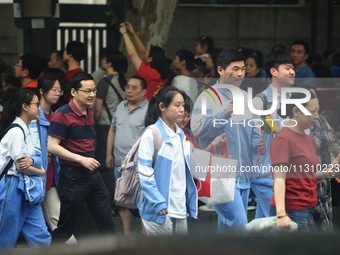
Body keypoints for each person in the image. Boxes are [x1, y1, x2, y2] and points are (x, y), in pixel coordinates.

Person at [191, 49, 263, 231]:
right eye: (235, 68)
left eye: (243, 69)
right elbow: (197, 129)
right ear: (221, 70)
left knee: (227, 226)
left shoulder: (246, 98)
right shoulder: (207, 97)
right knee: (239, 223)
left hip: (243, 171)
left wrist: (258, 144)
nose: (240, 73)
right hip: (219, 170)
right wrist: (225, 113)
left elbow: (253, 132)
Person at [47, 72, 115, 243]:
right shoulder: (62, 114)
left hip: (93, 175)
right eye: (87, 91)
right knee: (65, 230)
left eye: (94, 90)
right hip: (72, 176)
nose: (92, 94)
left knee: (107, 223)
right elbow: (51, 146)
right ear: (73, 92)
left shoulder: (90, 112)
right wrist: (80, 159)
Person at [269, 91, 340, 231]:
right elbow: (279, 180)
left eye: (318, 111)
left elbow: (307, 177)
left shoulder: (306, 139)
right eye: (313, 111)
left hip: (308, 208)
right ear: (296, 111)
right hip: (292, 211)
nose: (317, 116)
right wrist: (281, 214)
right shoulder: (284, 139)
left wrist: (328, 171)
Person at [137, 86, 198, 235]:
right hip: (159, 210)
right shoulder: (152, 134)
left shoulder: (181, 136)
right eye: (177, 105)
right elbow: (144, 173)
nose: (182, 109)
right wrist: (158, 202)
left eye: (183, 105)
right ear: (162, 107)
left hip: (180, 209)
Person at [0, 89, 51, 250]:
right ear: (25, 107)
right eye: (36, 104)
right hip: (12, 185)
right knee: (6, 236)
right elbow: (23, 166)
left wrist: (33, 162)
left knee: (41, 236)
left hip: (28, 189)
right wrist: (41, 172)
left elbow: (35, 158)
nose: (39, 108)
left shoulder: (29, 129)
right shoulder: (16, 132)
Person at [250, 49, 296, 219]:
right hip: (266, 175)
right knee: (278, 220)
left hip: (284, 174)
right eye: (288, 68)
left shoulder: (293, 100)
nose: (292, 72)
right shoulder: (260, 101)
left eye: (293, 68)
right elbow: (252, 137)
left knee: (264, 223)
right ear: (274, 72)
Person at [36, 74, 77, 243]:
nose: (58, 94)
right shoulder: (33, 116)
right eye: (54, 90)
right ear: (41, 91)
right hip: (34, 176)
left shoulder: (55, 115)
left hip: (50, 176)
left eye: (60, 91)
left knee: (56, 220)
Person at [106, 75, 148, 234]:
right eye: (127, 87)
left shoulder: (149, 110)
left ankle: (145, 237)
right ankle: (127, 236)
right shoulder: (120, 106)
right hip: (120, 163)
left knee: (144, 200)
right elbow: (112, 129)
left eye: (134, 88)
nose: (129, 90)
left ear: (144, 91)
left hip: (140, 164)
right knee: (122, 200)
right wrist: (108, 153)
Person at [94, 49, 127, 211]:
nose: (102, 61)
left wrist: (93, 123)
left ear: (109, 63)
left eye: (104, 59)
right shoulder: (125, 81)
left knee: (106, 162)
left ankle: (112, 200)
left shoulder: (104, 82)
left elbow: (97, 109)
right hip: (123, 126)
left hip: (106, 126)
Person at [119, 22, 169, 100]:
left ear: (150, 59)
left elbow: (133, 55)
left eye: (146, 52)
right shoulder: (159, 74)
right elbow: (143, 52)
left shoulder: (150, 73)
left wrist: (124, 33)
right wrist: (133, 34)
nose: (143, 52)